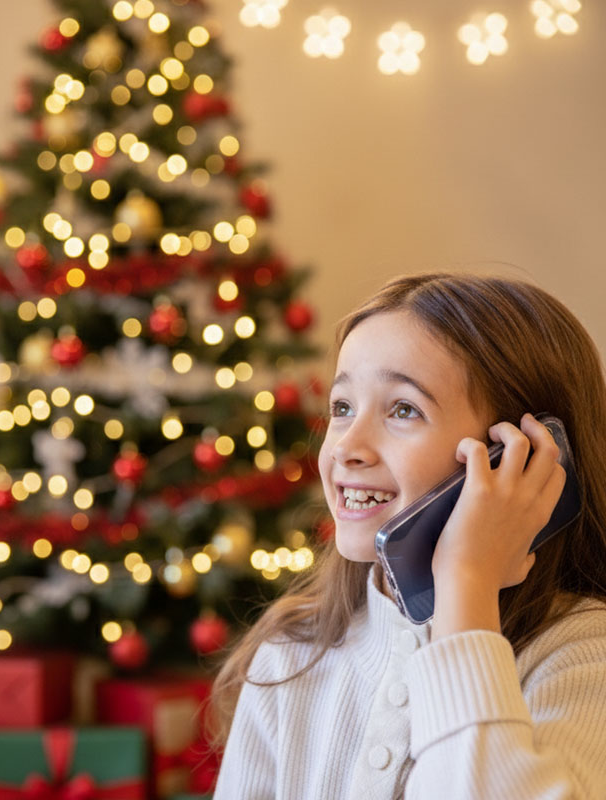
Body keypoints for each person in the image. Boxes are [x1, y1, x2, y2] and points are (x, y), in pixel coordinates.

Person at [209, 272, 606, 799]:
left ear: (521, 459)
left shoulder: (584, 656)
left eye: (403, 410)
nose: (346, 446)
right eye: (342, 407)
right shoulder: (292, 654)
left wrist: (466, 580)